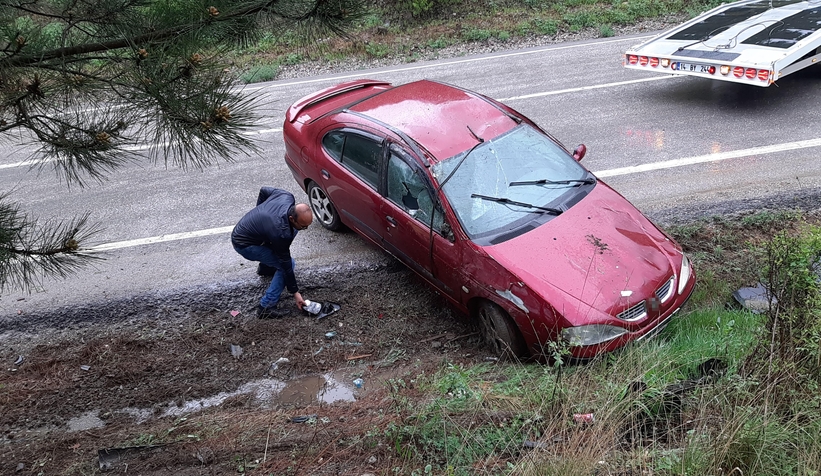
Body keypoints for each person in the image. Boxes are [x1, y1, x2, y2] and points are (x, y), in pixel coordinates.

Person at [231, 187, 312, 318]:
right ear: (291, 218)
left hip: (248, 233)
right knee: (288, 265)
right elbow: (286, 264)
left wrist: (260, 212)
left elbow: (263, 191)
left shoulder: (286, 196)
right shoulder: (281, 233)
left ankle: (266, 268)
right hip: (244, 245)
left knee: (293, 232)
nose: (306, 229)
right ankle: (266, 307)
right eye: (303, 226)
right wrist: (296, 293)